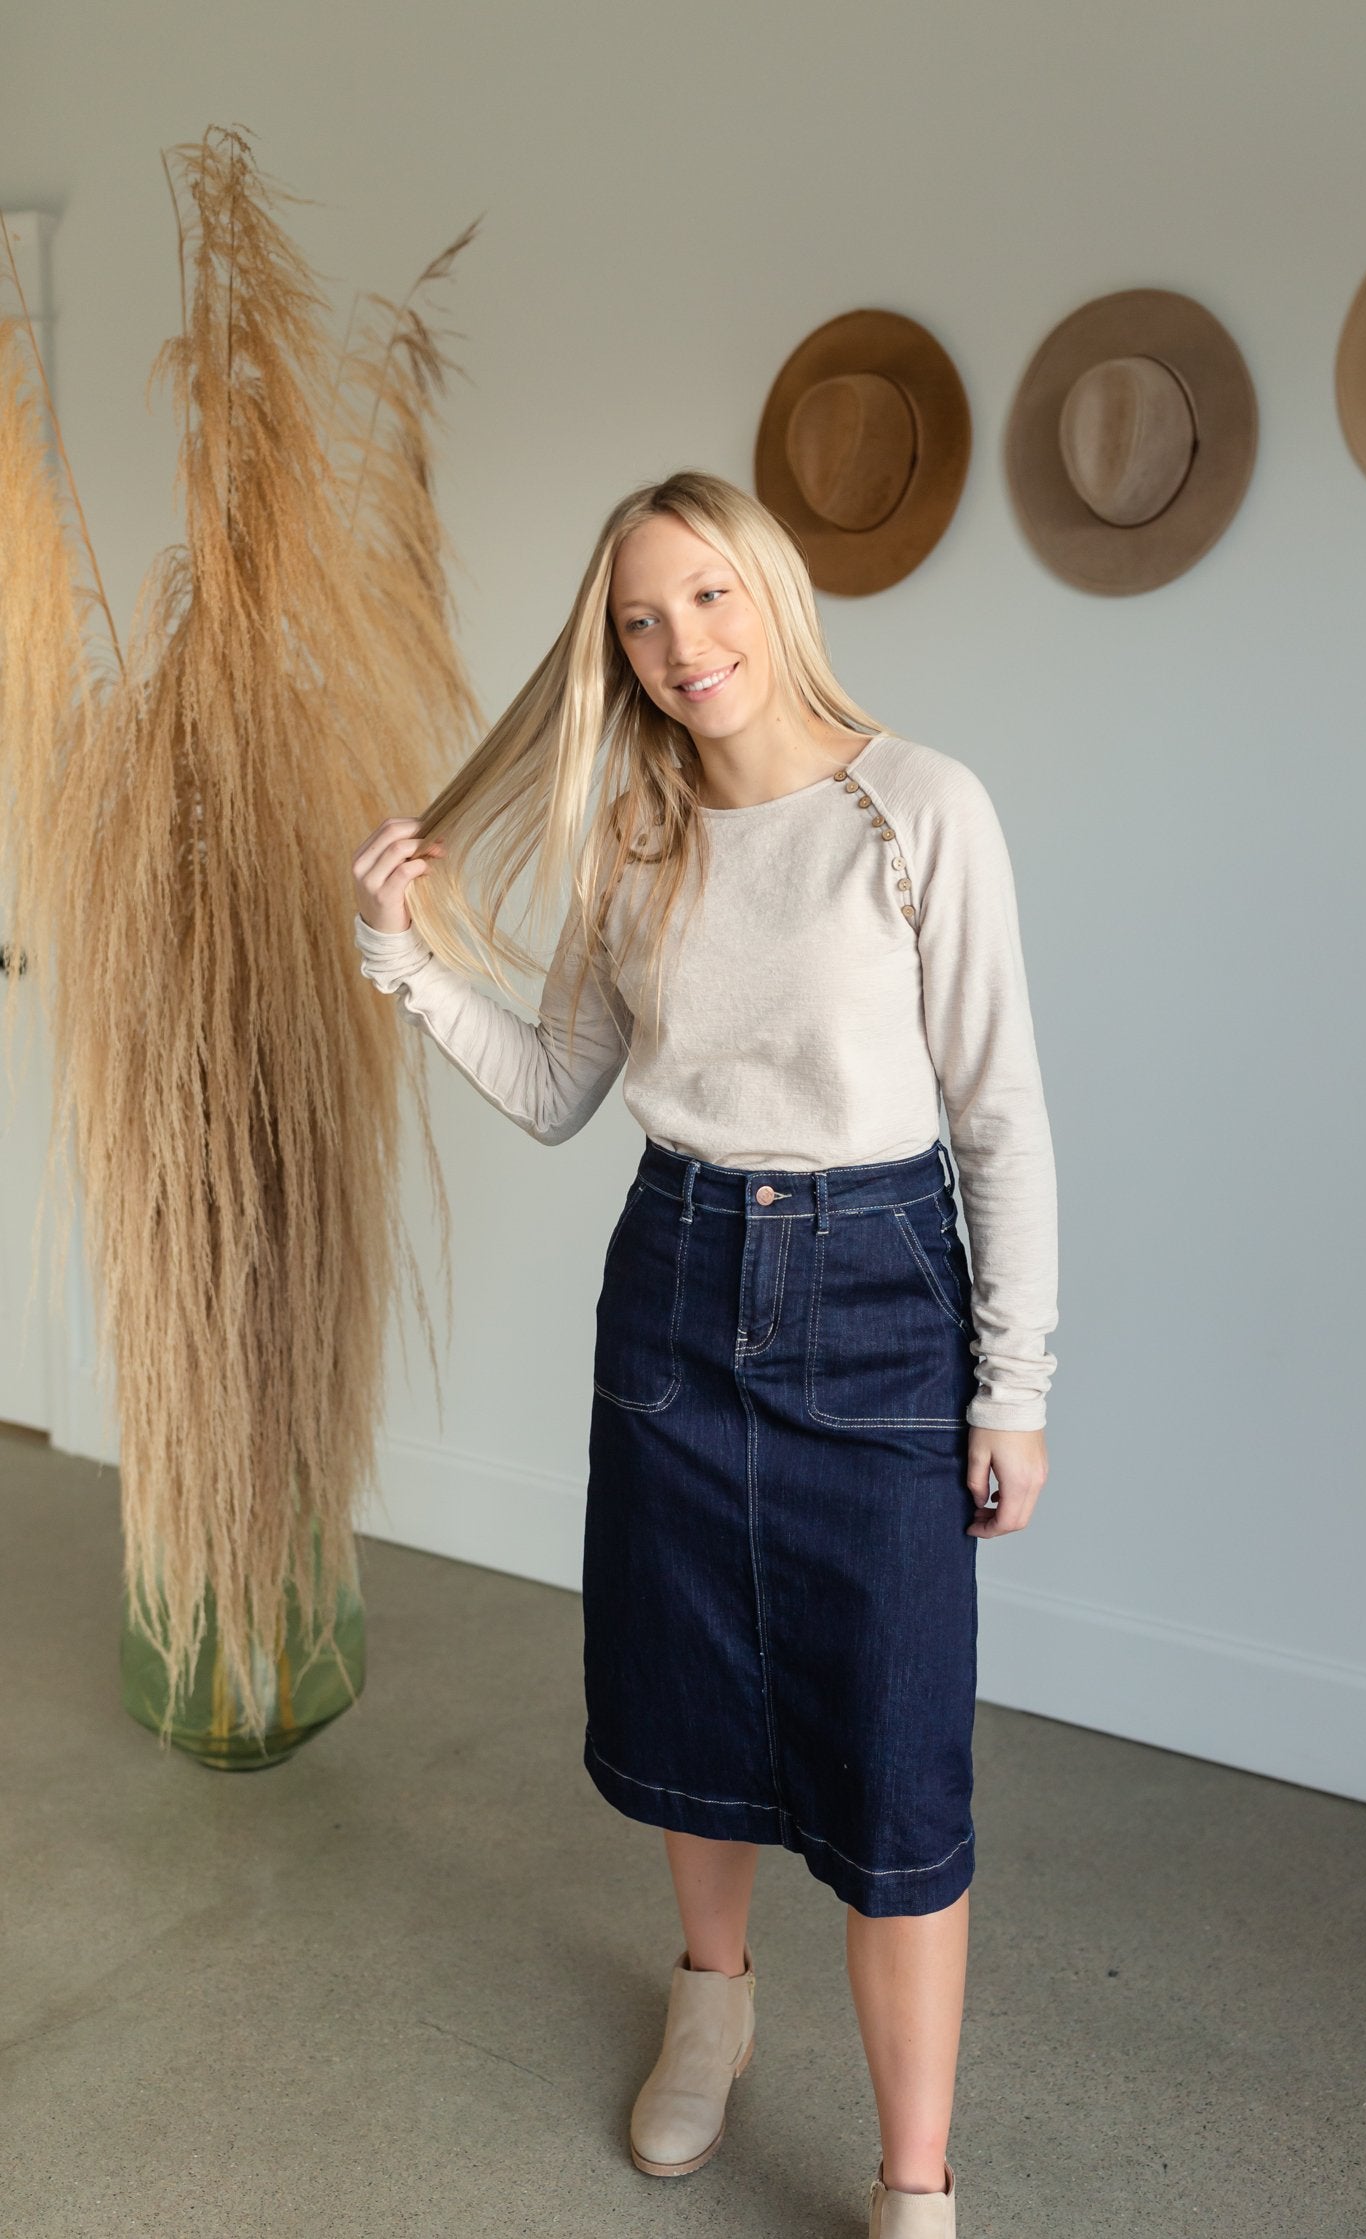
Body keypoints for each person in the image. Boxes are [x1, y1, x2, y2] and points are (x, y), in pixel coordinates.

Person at [349, 469, 1057, 2239]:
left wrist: (1013, 1386)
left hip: (881, 1297)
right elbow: (560, 1093)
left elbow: (1003, 1123)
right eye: (643, 620)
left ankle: (916, 2188)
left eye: (709, 598)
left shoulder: (919, 810)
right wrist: (404, 961)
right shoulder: (637, 841)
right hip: (676, 1280)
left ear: (775, 588)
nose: (682, 646)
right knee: (689, 1686)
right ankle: (713, 1999)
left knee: (898, 1768)